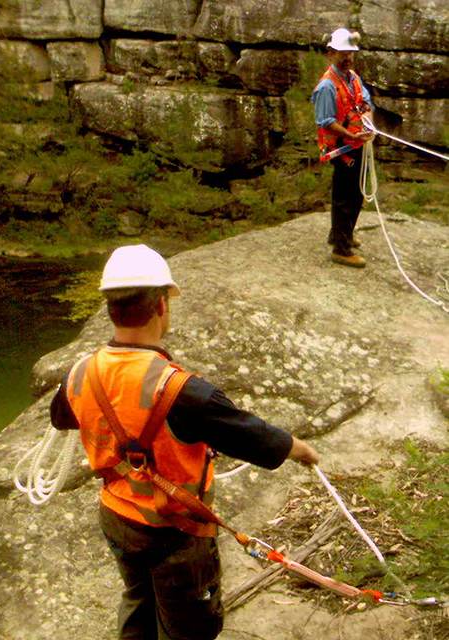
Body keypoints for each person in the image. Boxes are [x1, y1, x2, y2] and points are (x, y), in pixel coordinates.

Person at [50, 244, 319, 640]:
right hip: (174, 530)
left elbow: (62, 417)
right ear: (161, 305)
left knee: (138, 597)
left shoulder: (80, 373)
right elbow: (256, 439)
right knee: (190, 626)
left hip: (118, 516)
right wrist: (300, 449)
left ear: (110, 308)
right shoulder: (184, 391)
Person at [312, 28, 374, 268]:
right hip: (343, 149)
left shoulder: (353, 78)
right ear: (331, 53)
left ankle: (341, 234)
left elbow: (365, 101)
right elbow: (325, 121)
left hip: (358, 143)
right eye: (342, 53)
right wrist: (350, 134)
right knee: (345, 197)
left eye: (350, 53)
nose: (347, 58)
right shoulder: (327, 86)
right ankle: (341, 248)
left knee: (357, 193)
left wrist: (367, 119)